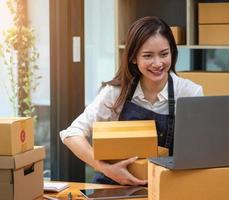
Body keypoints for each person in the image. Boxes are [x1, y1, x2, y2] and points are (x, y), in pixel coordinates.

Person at [60, 16, 203, 186]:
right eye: (148, 56)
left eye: (164, 54)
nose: (158, 63)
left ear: (172, 52)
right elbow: (71, 134)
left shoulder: (189, 92)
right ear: (134, 58)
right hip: (112, 187)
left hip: (163, 188)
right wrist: (106, 168)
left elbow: (199, 151)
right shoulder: (116, 93)